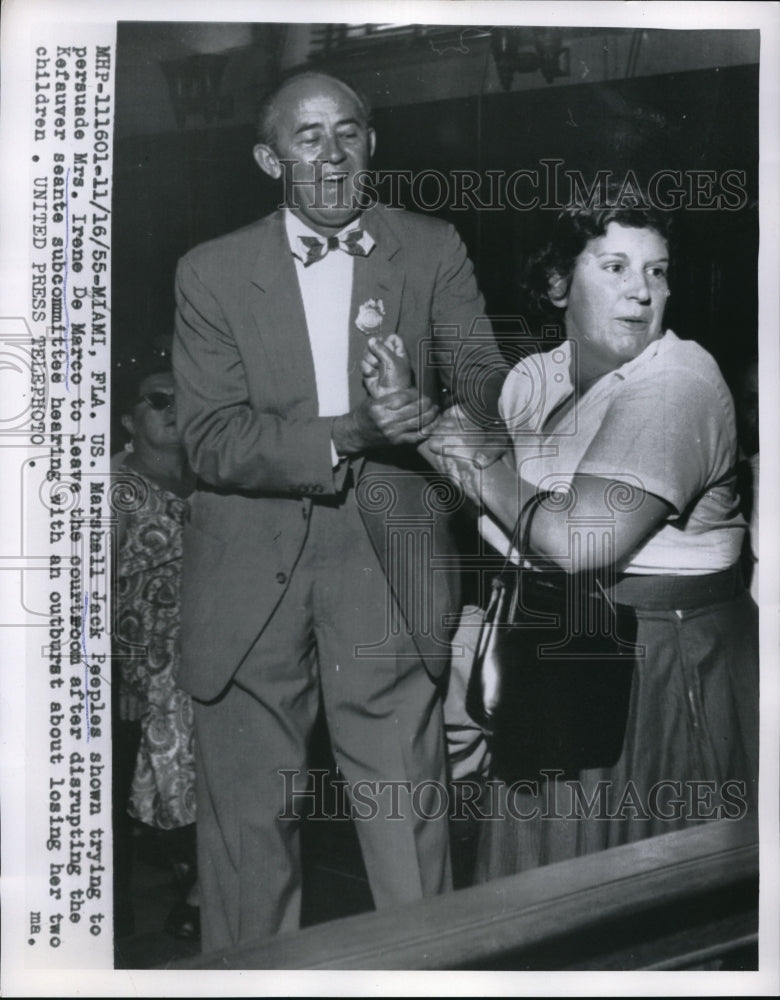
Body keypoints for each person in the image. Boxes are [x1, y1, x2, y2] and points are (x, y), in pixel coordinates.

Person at [172, 69, 506, 951]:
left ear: (372, 143)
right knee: (251, 840)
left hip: (385, 562)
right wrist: (356, 427)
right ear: (267, 157)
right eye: (307, 137)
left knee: (408, 827)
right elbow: (208, 439)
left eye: (348, 132)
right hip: (248, 574)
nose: (331, 154)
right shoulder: (210, 271)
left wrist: (427, 414)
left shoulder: (431, 247)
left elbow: (488, 387)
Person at [419, 199, 759, 878]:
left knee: (638, 902)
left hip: (660, 665)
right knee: (543, 893)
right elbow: (483, 474)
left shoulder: (679, 382)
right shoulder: (538, 379)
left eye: (658, 272)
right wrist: (423, 423)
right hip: (557, 652)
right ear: (556, 285)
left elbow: (578, 539)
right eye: (616, 267)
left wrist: (477, 463)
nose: (643, 289)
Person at [112, 366, 199, 939]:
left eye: (181, 399)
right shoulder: (114, 488)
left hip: (205, 659)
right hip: (137, 674)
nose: (171, 409)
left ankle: (201, 893)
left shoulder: (216, 476)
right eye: (157, 400)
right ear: (129, 419)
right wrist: (113, 673)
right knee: (128, 798)